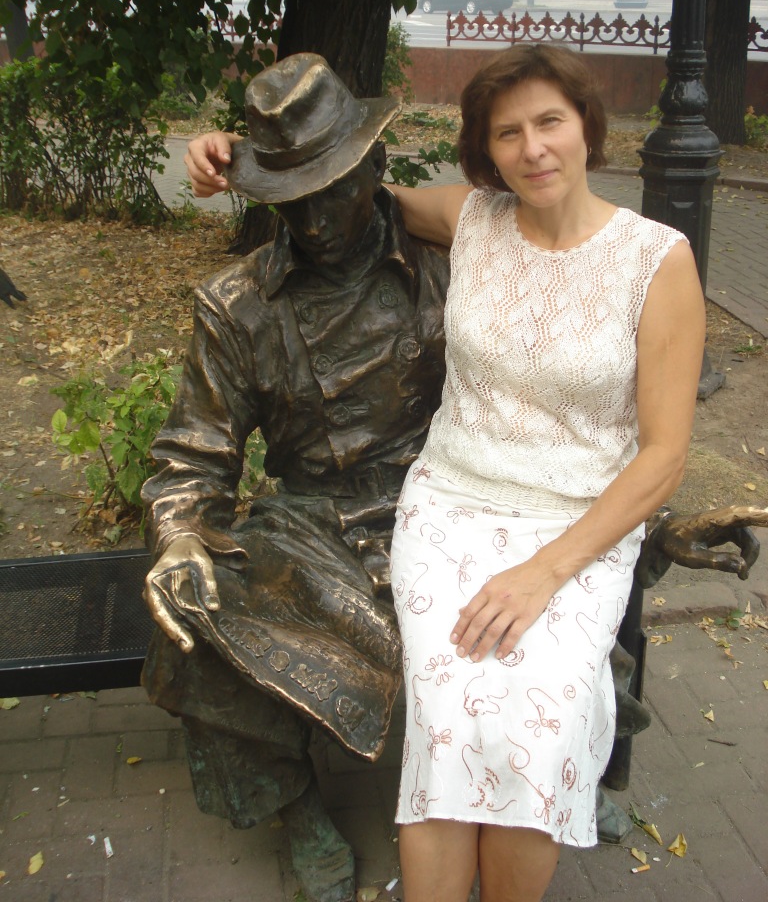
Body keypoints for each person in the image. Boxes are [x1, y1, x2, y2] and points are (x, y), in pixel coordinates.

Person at [179, 46, 759, 902]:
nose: (534, 148)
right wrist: (240, 154)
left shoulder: (653, 259)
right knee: (447, 725)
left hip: (570, 529)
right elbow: (340, 188)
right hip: (441, 508)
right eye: (508, 133)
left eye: (549, 122)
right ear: (487, 152)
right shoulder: (472, 220)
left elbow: (662, 451)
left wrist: (563, 563)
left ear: (588, 126)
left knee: (538, 726)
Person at [142, 52, 450, 902]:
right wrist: (179, 533)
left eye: (332, 190)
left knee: (563, 581)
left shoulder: (444, 264)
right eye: (291, 198)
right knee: (196, 615)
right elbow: (193, 453)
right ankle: (299, 809)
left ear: (375, 167)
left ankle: (554, 764)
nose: (314, 221)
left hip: (443, 502)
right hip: (309, 523)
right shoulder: (237, 304)